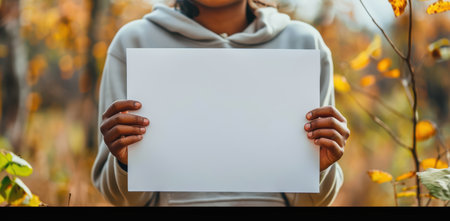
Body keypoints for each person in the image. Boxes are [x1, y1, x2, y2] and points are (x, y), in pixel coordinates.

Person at [91, 0, 350, 206]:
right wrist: (126, 165)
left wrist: (318, 169)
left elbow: (311, 202)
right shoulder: (133, 42)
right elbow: (123, 199)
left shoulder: (304, 44)